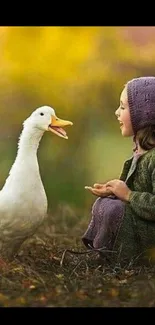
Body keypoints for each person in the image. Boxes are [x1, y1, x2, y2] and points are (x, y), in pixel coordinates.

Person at [82, 76, 155, 266]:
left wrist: (129, 195)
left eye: (123, 107)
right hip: (143, 227)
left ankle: (124, 260)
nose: (117, 112)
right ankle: (102, 255)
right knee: (104, 203)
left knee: (114, 210)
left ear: (144, 113)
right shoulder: (141, 154)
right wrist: (114, 192)